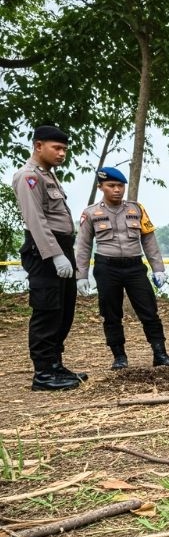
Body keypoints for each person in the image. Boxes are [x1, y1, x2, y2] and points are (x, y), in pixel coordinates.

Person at [73, 166, 169, 370]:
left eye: (120, 186)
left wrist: (158, 268)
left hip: (134, 267)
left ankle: (160, 354)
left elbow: (148, 239)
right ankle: (119, 357)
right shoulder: (91, 213)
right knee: (111, 314)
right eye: (111, 185)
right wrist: (81, 275)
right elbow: (83, 245)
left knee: (149, 311)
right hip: (107, 267)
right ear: (101, 187)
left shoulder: (136, 209)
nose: (117, 190)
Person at [13, 125, 86, 391]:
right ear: (38, 145)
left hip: (61, 247)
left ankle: (55, 365)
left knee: (63, 310)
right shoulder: (28, 176)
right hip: (44, 250)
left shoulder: (48, 175)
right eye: (57, 148)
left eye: (65, 149)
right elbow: (36, 220)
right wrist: (55, 255)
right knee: (47, 310)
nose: (62, 153)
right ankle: (43, 374)